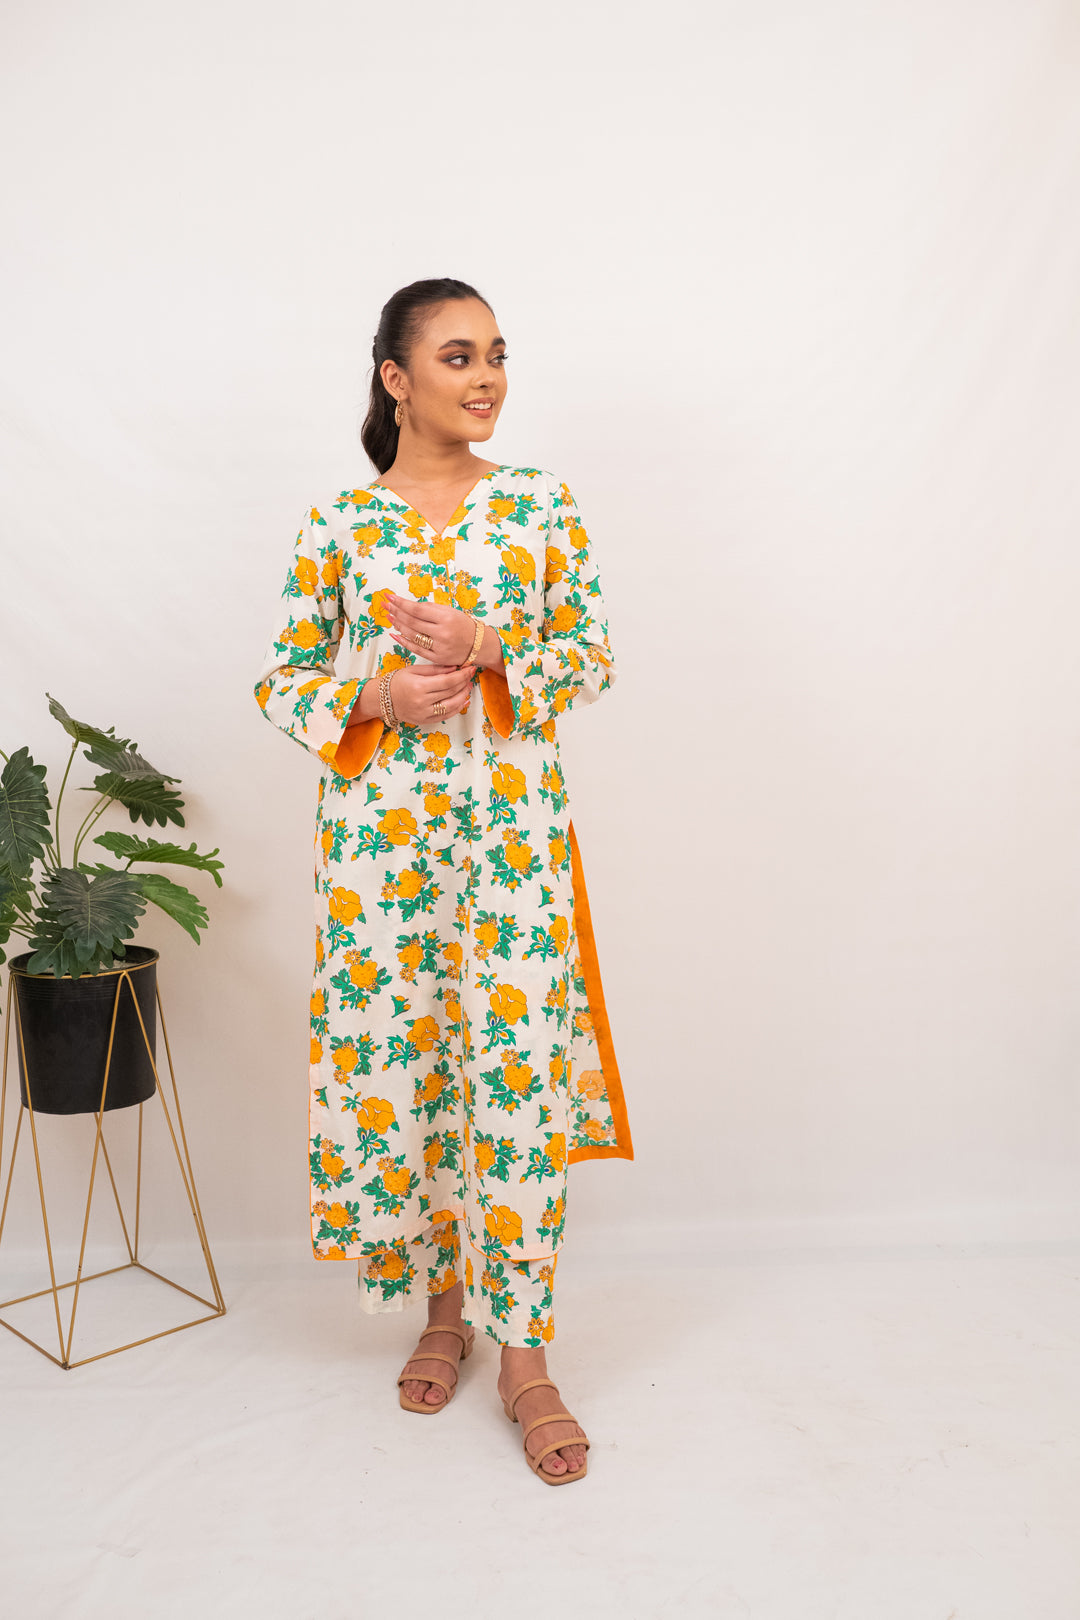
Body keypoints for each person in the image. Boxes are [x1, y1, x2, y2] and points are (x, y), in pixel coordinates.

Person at [254, 277, 632, 1484]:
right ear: (396, 377)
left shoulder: (538, 505)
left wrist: (489, 646)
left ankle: (527, 1357)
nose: (487, 378)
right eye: (459, 356)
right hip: (380, 851)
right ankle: (441, 1311)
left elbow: (592, 656)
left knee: (511, 1082)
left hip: (511, 840)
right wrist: (375, 694)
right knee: (408, 1067)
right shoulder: (338, 524)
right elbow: (282, 680)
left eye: (497, 355)